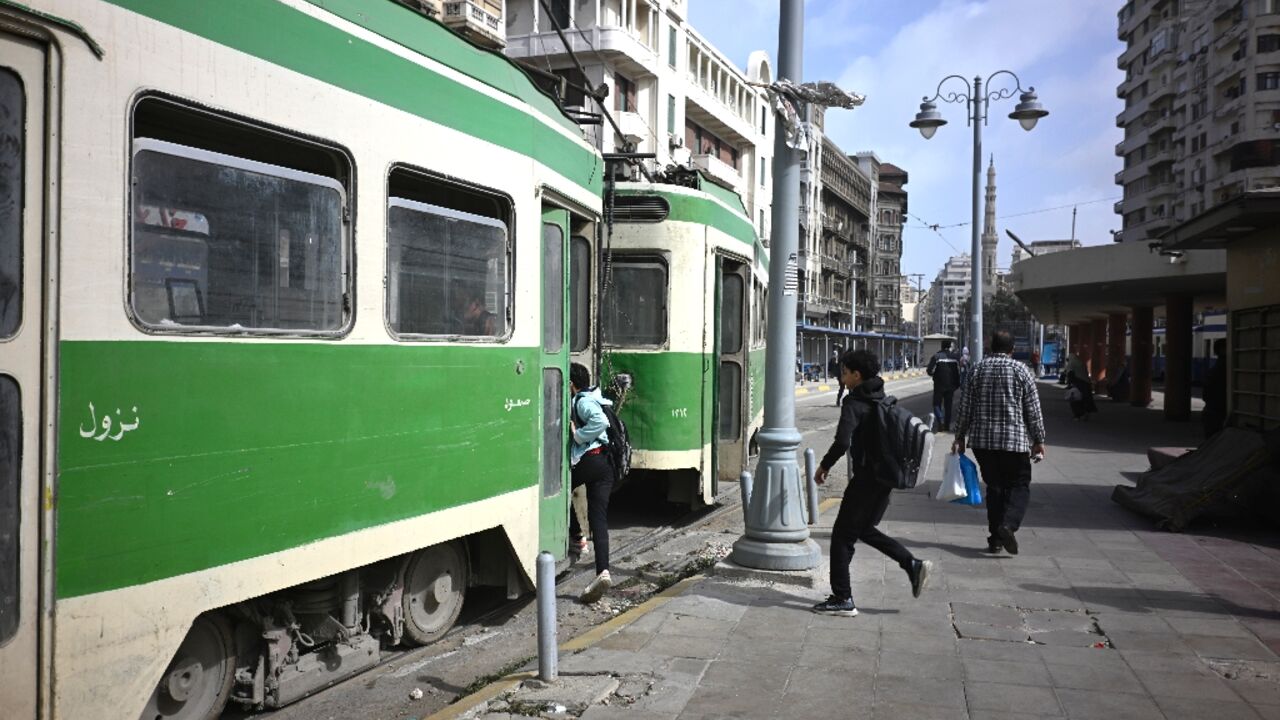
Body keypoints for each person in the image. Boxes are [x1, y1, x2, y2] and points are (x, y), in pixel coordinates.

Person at [811, 349, 932, 617]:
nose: (841, 377)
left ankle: (843, 599)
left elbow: (842, 441)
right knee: (863, 529)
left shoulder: (854, 403)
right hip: (883, 479)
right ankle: (911, 564)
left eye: (844, 373)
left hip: (865, 480)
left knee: (842, 537)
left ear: (856, 374)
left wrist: (825, 466)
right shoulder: (882, 399)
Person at [951, 330, 1047, 555]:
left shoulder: (977, 370)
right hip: (1014, 442)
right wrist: (1039, 439)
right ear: (1012, 349)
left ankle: (995, 539)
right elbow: (1033, 410)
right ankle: (1008, 525)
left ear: (990, 347)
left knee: (995, 489)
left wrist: (959, 437)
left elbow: (965, 408)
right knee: (1019, 484)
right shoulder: (1022, 371)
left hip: (983, 442)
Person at [569, 363, 614, 603]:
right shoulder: (597, 397)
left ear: (571, 384)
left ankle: (577, 538)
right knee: (599, 519)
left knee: (559, 492)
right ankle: (603, 572)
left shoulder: (583, 401)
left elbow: (600, 422)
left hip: (591, 460)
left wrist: (578, 436)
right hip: (606, 465)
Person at [926, 339, 962, 431]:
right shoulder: (955, 357)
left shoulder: (936, 357)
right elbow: (958, 371)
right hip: (951, 386)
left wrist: (935, 375)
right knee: (948, 405)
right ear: (950, 346)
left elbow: (930, 371)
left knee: (936, 404)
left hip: (939, 385)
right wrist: (957, 384)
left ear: (941, 346)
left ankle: (940, 421)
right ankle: (947, 425)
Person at [1202, 338, 1228, 438]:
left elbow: (1205, 395)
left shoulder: (1213, 369)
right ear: (1222, 349)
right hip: (1218, 413)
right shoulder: (1226, 367)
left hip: (1211, 411)